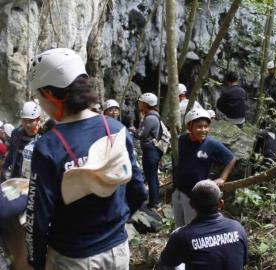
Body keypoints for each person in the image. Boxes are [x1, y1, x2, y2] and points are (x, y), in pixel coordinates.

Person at [25, 48, 147, 270]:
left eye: (39, 96)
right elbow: (138, 189)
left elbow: (37, 217)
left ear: (50, 94)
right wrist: (115, 224)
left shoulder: (48, 146)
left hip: (72, 257)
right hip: (117, 250)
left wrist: (36, 260)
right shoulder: (116, 129)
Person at [160, 179, 248, 269]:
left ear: (191, 204)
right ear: (221, 204)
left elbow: (166, 261)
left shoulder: (182, 235)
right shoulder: (237, 228)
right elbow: (243, 262)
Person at [173, 108, 236, 227]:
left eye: (206, 126)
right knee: (179, 226)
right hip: (178, 191)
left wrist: (222, 178)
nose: (203, 130)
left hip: (195, 195)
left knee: (192, 227)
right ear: (189, 127)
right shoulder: (182, 140)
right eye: (199, 127)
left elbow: (231, 158)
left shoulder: (211, 143)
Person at [135, 92, 163, 209]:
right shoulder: (153, 115)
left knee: (151, 176)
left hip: (150, 150)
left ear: (146, 104)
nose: (139, 104)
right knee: (153, 176)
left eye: (141, 103)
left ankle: (153, 202)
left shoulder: (150, 118)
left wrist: (135, 129)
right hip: (153, 150)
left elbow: (142, 135)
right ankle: (155, 200)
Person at [2, 101, 41, 180]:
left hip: (33, 181)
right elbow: (11, 153)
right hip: (16, 178)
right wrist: (4, 167)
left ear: (37, 120)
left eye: (30, 121)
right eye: (24, 120)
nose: (27, 124)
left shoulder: (44, 137)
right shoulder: (16, 133)